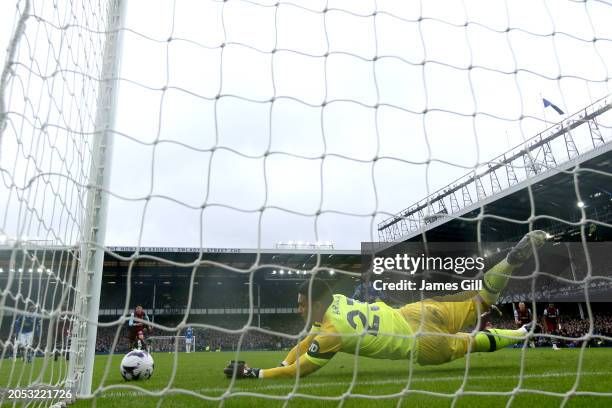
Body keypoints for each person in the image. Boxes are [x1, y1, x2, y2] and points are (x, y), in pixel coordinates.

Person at [224, 231, 548, 379]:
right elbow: (306, 340)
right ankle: (508, 262)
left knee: (470, 343)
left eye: (301, 305)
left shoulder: (332, 334)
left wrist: (258, 374)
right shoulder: (335, 303)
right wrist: (282, 360)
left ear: (316, 302)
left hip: (421, 344)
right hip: (416, 312)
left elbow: (301, 370)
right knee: (480, 299)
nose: (298, 310)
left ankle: (520, 334)